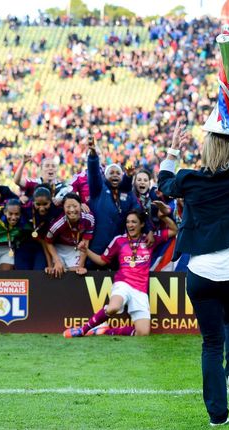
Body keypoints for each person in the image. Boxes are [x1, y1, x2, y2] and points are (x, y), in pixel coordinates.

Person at [157, 71, 229, 427]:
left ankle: (218, 416)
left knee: (209, 343)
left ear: (204, 148)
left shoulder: (188, 179)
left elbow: (163, 183)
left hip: (201, 274)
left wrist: (172, 148)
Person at [63, 207, 176, 336]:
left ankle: (105, 331)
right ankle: (83, 330)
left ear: (142, 224)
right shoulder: (119, 240)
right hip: (123, 283)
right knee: (113, 307)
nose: (130, 225)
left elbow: (174, 230)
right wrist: (86, 251)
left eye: (134, 222)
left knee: (143, 333)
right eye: (128, 222)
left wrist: (163, 217)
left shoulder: (150, 239)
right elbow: (102, 260)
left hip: (140, 289)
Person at [85, 137, 145, 265]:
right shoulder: (98, 190)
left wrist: (148, 230)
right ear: (105, 176)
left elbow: (139, 214)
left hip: (119, 251)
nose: (115, 175)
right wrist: (93, 156)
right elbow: (94, 173)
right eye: (111, 172)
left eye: (118, 173)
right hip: (96, 249)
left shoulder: (128, 195)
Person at [45, 193, 95, 276]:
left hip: (75, 248)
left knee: (76, 273)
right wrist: (57, 261)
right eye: (68, 207)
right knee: (58, 271)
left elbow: (85, 243)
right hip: (59, 248)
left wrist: (81, 266)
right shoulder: (58, 224)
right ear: (63, 208)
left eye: (75, 206)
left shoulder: (89, 219)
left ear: (81, 205)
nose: (72, 210)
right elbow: (48, 242)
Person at [15, 187, 60, 270]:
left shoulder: (56, 210)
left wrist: (50, 265)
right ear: (33, 202)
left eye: (45, 204)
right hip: (23, 245)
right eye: (38, 204)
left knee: (39, 272)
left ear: (51, 201)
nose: (42, 208)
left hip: (41, 248)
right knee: (22, 274)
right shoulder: (24, 209)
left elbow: (46, 241)